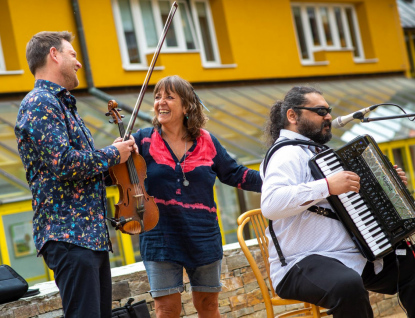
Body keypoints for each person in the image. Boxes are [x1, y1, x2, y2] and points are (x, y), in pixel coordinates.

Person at [260, 86, 415, 317]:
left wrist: (388, 184)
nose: (329, 116)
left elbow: (352, 201)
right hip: (300, 262)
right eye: (320, 111)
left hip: (351, 256)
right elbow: (271, 204)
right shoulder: (286, 154)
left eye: (329, 110)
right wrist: (328, 186)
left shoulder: (317, 152)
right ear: (292, 116)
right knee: (347, 285)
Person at [14, 31, 137, 317]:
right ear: (54, 55)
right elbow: (65, 163)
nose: (79, 63)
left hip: (87, 236)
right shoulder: (40, 103)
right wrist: (112, 154)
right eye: (73, 55)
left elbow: (84, 170)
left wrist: (118, 165)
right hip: (69, 235)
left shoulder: (62, 105)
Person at [132, 75, 262, 318]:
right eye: (158, 97)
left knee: (208, 307)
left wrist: (275, 182)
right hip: (160, 236)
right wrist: (117, 155)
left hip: (202, 235)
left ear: (186, 106)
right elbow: (117, 178)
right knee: (166, 310)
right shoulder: (143, 140)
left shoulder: (206, 141)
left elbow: (235, 174)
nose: (161, 102)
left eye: (170, 97)